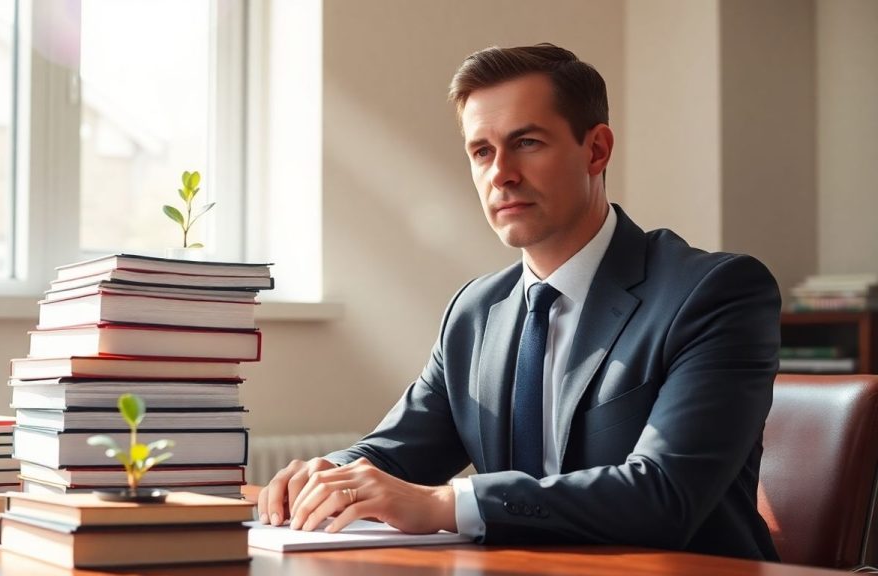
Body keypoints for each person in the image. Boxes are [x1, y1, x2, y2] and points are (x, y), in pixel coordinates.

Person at [258, 43, 781, 561]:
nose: (500, 173)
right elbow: (395, 453)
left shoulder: (715, 293)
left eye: (526, 143)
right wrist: (328, 475)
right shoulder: (475, 312)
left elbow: (665, 495)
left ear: (596, 150)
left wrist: (447, 502)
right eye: (481, 151)